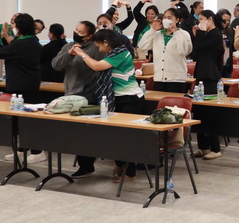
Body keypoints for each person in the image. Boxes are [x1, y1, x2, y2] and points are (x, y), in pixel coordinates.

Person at [70, 28, 167, 180]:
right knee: (116, 136)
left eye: (100, 46)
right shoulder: (113, 53)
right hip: (116, 98)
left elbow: (96, 66)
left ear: (106, 43)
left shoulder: (121, 53)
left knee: (126, 137)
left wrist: (82, 53)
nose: (99, 50)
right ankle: (120, 165)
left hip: (130, 100)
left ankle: (129, 171)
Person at [190, 10, 226, 160]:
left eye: (202, 19)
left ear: (210, 19)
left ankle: (215, 148)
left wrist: (199, 33)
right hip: (201, 75)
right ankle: (203, 147)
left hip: (211, 76)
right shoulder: (206, 34)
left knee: (210, 114)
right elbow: (195, 53)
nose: (199, 22)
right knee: (199, 112)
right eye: (198, 19)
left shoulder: (215, 34)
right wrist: (199, 34)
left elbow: (200, 47)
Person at [0, 13, 43, 104]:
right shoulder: (34, 41)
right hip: (32, 84)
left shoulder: (20, 43)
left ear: (18, 28)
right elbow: (8, 49)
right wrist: (5, 36)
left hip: (19, 85)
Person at [149, 7, 193, 93]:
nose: (166, 20)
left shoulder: (184, 34)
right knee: (158, 100)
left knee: (174, 101)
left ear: (177, 20)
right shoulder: (157, 34)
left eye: (169, 18)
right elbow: (142, 46)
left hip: (177, 79)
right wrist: (152, 30)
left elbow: (185, 51)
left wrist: (175, 31)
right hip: (159, 78)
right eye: (164, 17)